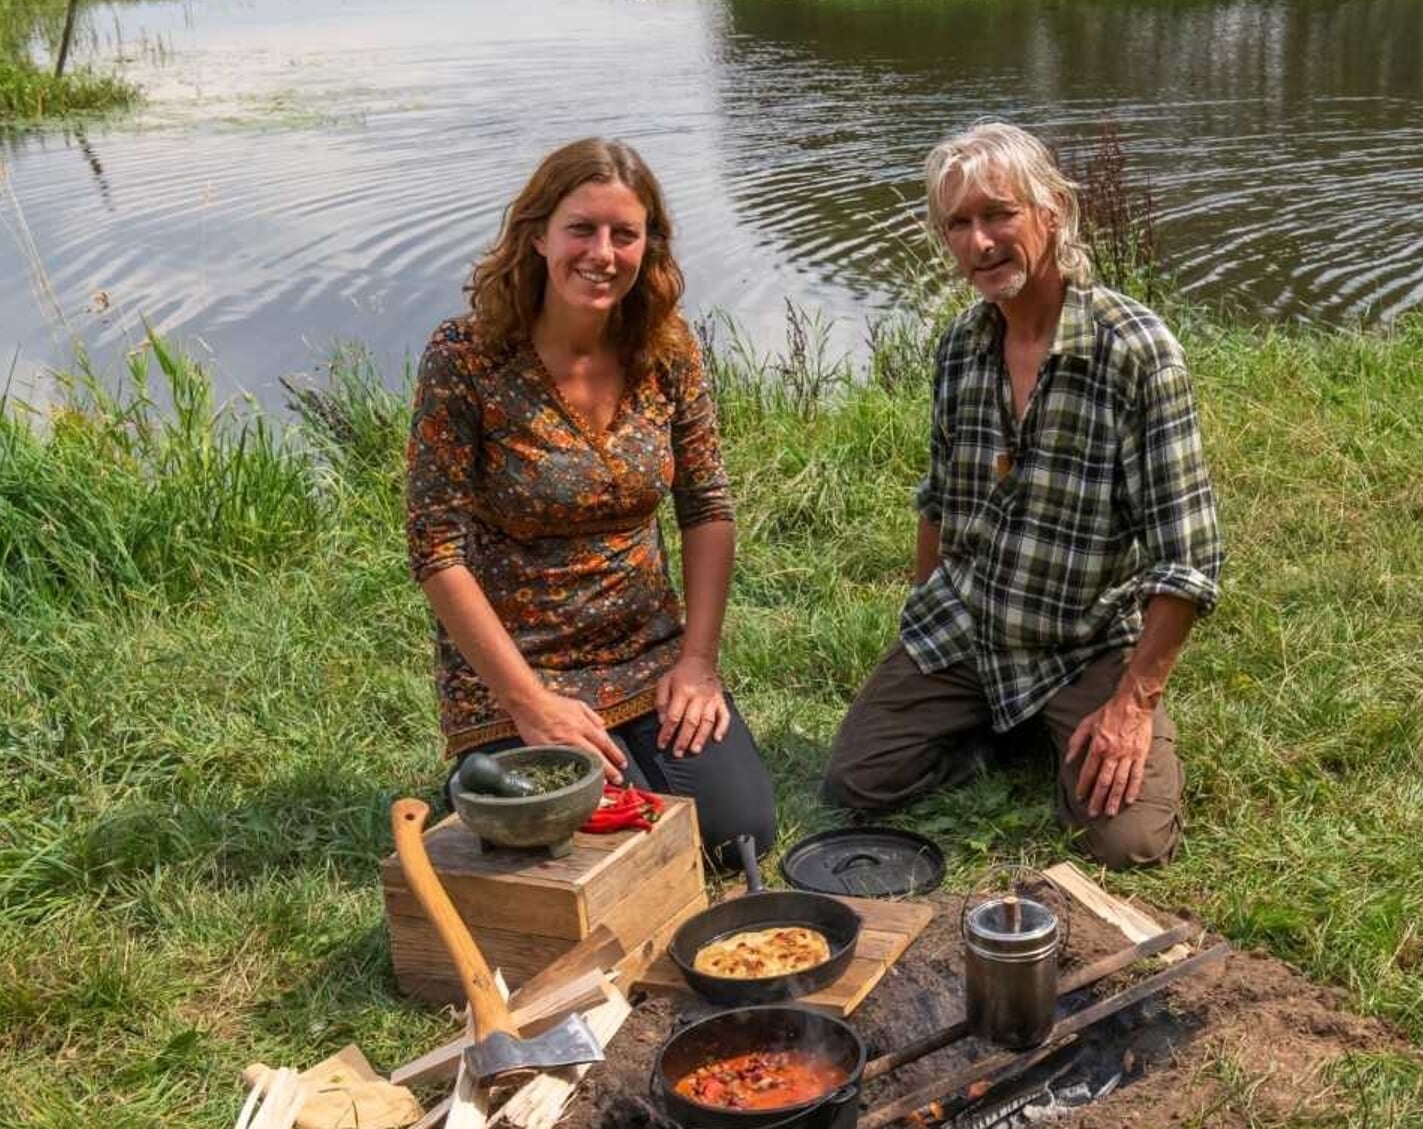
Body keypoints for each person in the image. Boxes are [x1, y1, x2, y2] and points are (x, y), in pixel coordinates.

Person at [825, 122, 1223, 869]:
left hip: (1086, 642)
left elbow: (1187, 560)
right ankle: (1000, 729)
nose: (980, 242)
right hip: (970, 624)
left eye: (998, 214)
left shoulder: (1134, 349)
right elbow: (939, 500)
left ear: (1052, 211)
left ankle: (1058, 723)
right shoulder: (958, 348)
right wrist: (919, 629)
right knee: (856, 781)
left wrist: (1131, 706)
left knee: (1129, 843)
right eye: (959, 223)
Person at [406, 137, 774, 867]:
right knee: (619, 851)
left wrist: (697, 661)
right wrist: (526, 701)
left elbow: (706, 506)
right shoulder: (465, 358)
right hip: (519, 668)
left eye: (624, 234)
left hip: (648, 652)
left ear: (649, 245)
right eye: (581, 228)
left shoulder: (667, 349)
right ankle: (494, 759)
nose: (602, 252)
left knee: (741, 836)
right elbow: (434, 548)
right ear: (537, 235)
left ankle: (599, 754)